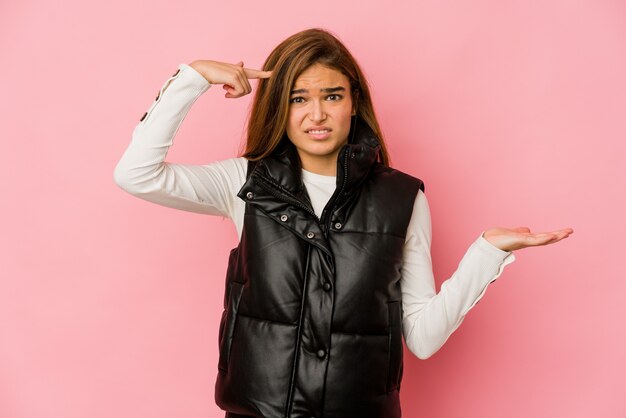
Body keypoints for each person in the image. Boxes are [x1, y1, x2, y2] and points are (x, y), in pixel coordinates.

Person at [113, 28, 573, 418]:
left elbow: (425, 338)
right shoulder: (246, 182)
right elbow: (136, 175)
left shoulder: (401, 198)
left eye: (332, 95)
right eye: (299, 98)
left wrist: (488, 253)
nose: (317, 114)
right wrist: (192, 79)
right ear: (279, 107)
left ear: (353, 102)